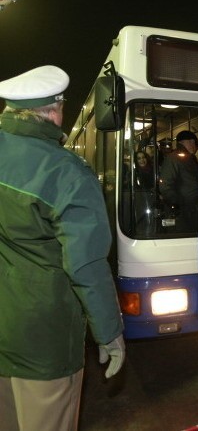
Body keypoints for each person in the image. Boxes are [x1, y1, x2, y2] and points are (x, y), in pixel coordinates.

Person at [0, 66, 124, 431]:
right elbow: (86, 265)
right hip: (45, 336)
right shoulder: (65, 171)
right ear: (54, 111)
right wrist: (109, 331)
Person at [159, 130, 198, 232]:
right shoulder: (174, 158)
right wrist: (177, 205)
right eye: (193, 142)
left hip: (191, 209)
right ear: (186, 142)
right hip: (182, 212)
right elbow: (165, 185)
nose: (195, 146)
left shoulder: (187, 158)